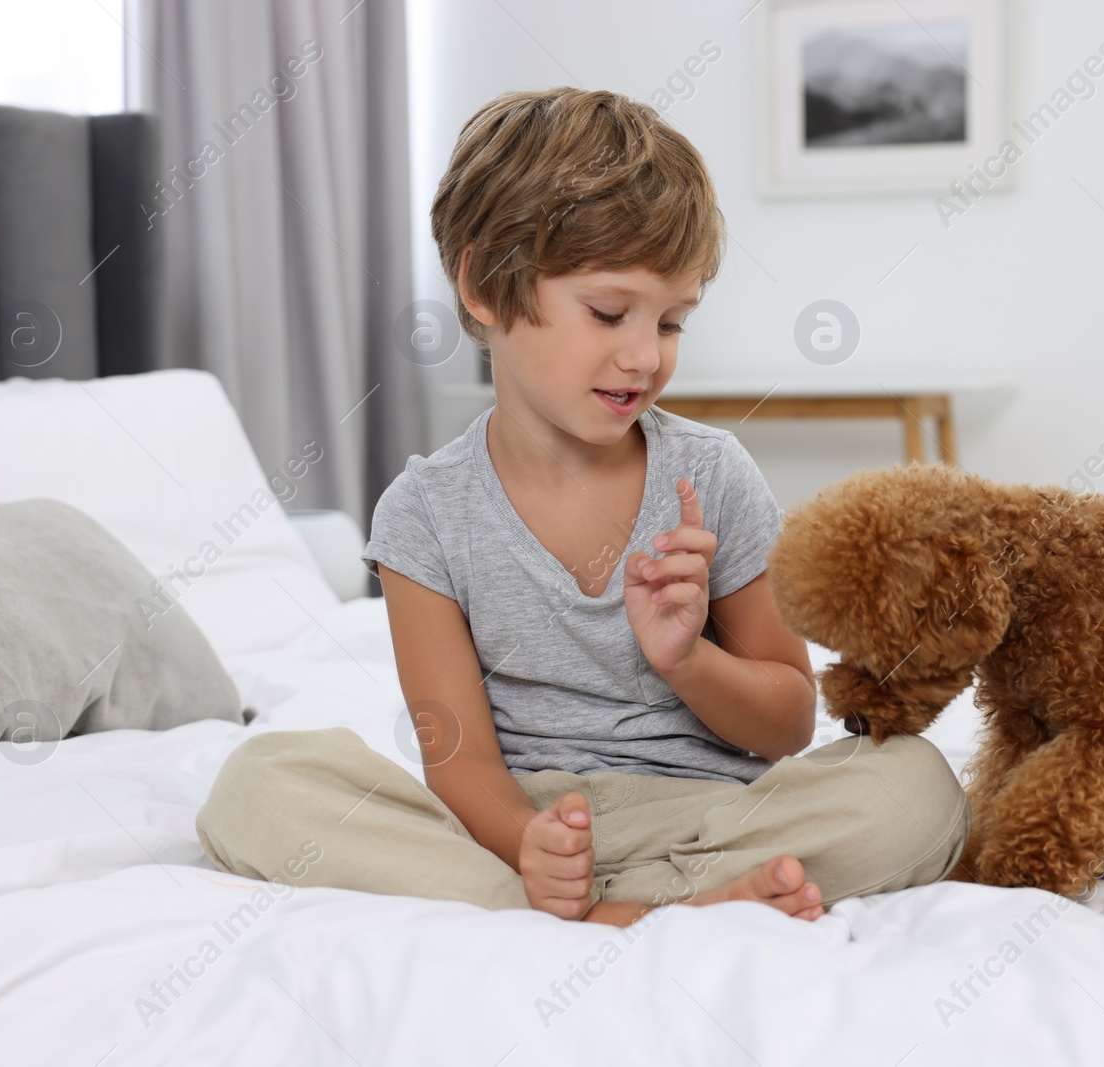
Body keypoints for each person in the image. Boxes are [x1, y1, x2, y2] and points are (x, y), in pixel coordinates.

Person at [195, 87, 969, 927]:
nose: (644, 354)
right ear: (485, 288)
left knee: (916, 786)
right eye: (609, 312)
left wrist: (687, 659)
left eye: (672, 322)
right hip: (519, 826)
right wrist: (530, 844)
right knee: (258, 785)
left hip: (709, 816)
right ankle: (629, 906)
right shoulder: (423, 512)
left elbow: (787, 724)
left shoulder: (713, 473)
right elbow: (456, 763)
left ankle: (613, 905)